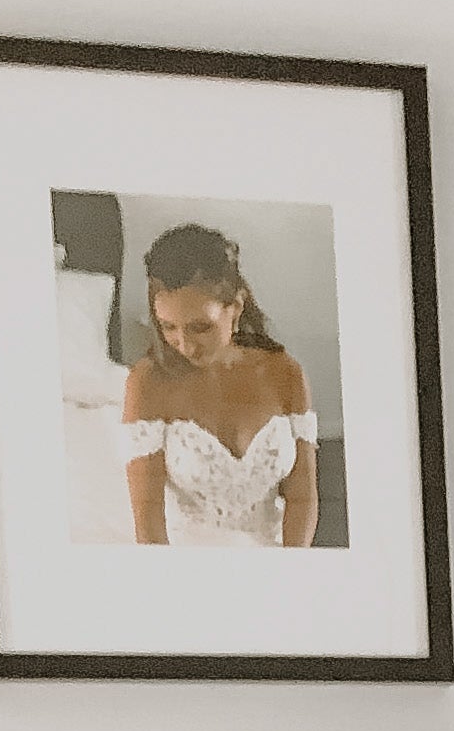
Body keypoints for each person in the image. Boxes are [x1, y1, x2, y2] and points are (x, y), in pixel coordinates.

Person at [118, 222, 317, 549]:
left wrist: (292, 571)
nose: (183, 345)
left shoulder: (286, 373)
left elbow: (303, 499)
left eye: (200, 327)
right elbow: (149, 522)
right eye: (167, 326)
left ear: (235, 309)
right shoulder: (147, 383)